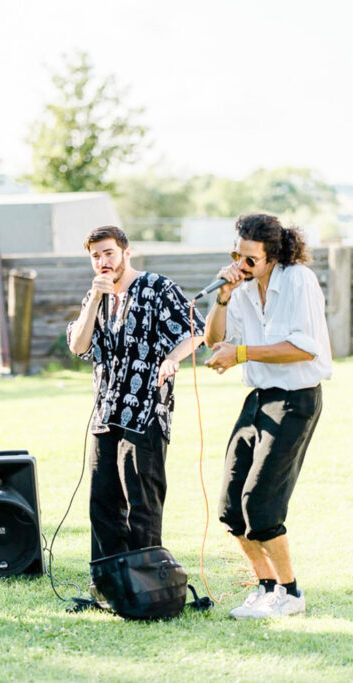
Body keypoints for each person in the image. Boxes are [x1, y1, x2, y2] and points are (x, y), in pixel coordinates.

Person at [66, 225, 204, 609]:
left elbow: (197, 330)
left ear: (126, 253)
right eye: (95, 256)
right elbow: (78, 346)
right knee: (103, 503)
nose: (103, 261)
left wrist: (172, 359)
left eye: (109, 253)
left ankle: (146, 589)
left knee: (141, 502)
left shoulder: (158, 287)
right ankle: (109, 587)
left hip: (146, 412)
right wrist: (95, 298)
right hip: (105, 414)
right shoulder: (96, 296)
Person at [204, 213, 331, 620]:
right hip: (258, 397)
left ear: (272, 255)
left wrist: (240, 354)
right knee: (229, 506)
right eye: (235, 256)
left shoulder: (298, 280)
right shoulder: (240, 289)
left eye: (249, 259)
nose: (240, 265)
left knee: (260, 504)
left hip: (296, 397)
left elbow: (303, 348)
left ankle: (290, 592)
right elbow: (214, 340)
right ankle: (265, 588)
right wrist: (223, 295)